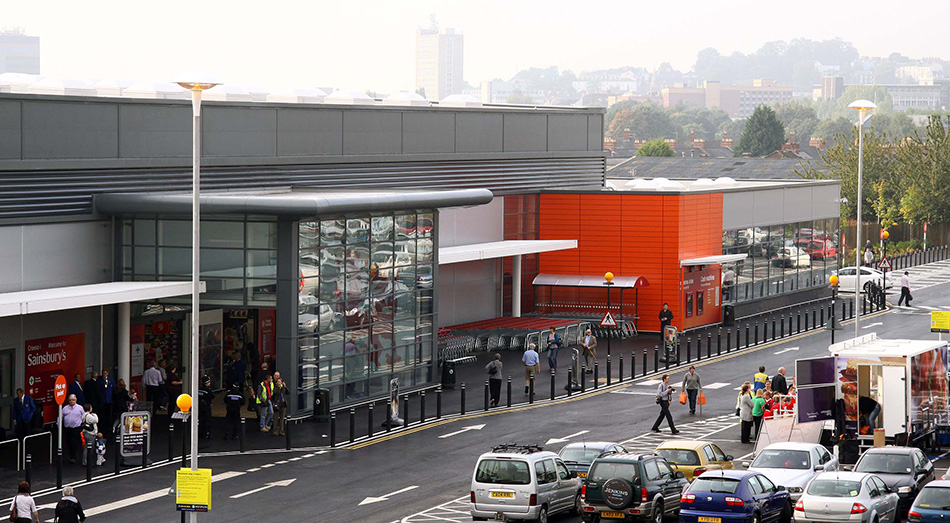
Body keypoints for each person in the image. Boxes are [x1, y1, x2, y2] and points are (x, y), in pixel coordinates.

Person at [61, 395, 83, 464]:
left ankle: (73, 457)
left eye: (73, 400)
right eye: (70, 400)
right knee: (69, 443)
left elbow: (83, 416)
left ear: (76, 400)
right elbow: (60, 416)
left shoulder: (79, 408)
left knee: (74, 442)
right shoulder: (65, 408)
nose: (71, 401)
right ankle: (71, 455)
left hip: (76, 428)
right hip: (68, 429)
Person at [271, 371, 289, 437]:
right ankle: (275, 431)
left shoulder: (282, 387)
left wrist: (284, 386)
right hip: (277, 404)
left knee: (282, 418)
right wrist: (278, 387)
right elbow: (275, 393)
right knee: (276, 418)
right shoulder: (275, 387)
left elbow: (287, 392)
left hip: (283, 403)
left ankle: (281, 430)